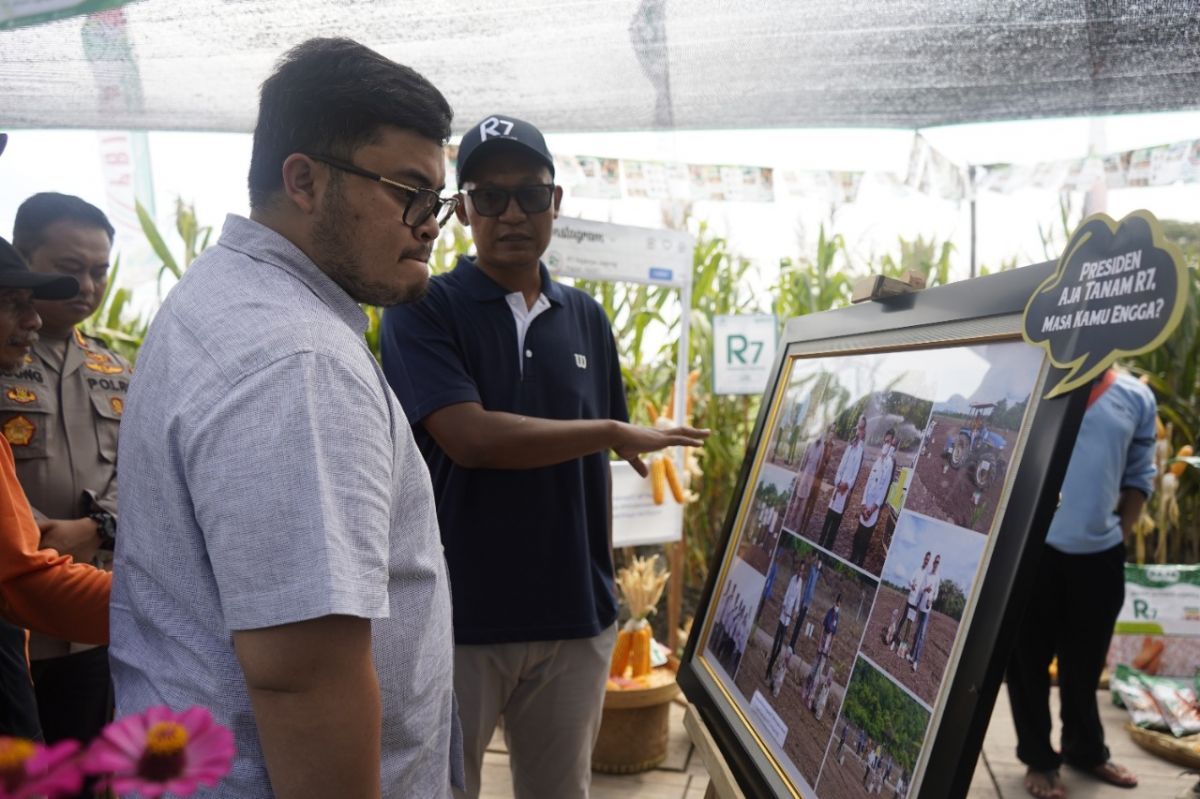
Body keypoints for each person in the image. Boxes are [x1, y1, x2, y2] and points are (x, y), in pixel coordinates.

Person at [108, 38, 462, 798]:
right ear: (303, 179)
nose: (431, 223)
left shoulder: (222, 294)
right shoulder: (299, 362)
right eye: (409, 190)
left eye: (438, 199)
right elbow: (303, 682)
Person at [381, 113, 707, 799]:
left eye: (530, 194)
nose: (511, 214)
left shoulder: (586, 316)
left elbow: (596, 467)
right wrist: (609, 432)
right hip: (459, 618)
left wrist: (604, 590)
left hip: (573, 620)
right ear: (463, 208)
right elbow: (470, 439)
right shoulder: (424, 308)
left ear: (555, 203)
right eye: (489, 196)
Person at [4, 192, 126, 751]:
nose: (88, 287)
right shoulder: (6, 354)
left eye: (99, 271)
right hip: (21, 610)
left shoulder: (118, 367)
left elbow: (149, 477)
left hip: (93, 620)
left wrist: (97, 527)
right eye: (68, 270)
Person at [1007, 367, 1155, 799]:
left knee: (1086, 663)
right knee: (1028, 660)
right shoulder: (1033, 379)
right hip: (1034, 551)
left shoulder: (1135, 396)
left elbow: (1139, 476)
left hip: (1100, 556)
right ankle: (1039, 758)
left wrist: (1115, 538)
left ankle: (1085, 750)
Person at [819, 415, 866, 550]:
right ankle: (819, 545)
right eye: (857, 428)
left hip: (845, 492)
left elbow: (855, 473)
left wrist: (847, 485)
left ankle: (827, 549)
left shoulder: (860, 451)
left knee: (835, 523)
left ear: (863, 432)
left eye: (860, 429)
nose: (858, 431)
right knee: (827, 519)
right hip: (838, 486)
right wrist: (838, 481)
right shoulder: (850, 446)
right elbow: (841, 466)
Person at [852, 428, 896, 566]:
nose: (886, 444)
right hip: (866, 505)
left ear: (892, 443)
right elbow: (868, 482)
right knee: (858, 535)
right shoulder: (877, 461)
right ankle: (852, 559)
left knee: (865, 538)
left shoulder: (890, 463)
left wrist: (871, 509)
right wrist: (864, 504)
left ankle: (858, 564)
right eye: (885, 441)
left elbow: (883, 489)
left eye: (888, 442)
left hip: (874, 509)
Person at [765, 551, 803, 678]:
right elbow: (787, 593)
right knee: (776, 643)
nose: (800, 572)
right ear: (797, 570)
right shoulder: (793, 578)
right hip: (784, 612)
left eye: (802, 570)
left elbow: (798, 599)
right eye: (799, 569)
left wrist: (796, 612)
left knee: (780, 647)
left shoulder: (800, 582)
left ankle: (770, 667)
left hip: (789, 615)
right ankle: (768, 670)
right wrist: (783, 605)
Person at [893, 551, 931, 656]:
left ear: (929, 561)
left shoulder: (926, 575)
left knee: (909, 625)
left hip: (916, 604)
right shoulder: (917, 569)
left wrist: (925, 589)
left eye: (928, 559)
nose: (926, 561)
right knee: (902, 620)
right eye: (926, 559)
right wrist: (912, 584)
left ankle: (902, 648)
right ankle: (894, 638)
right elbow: (909, 580)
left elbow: (923, 589)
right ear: (924, 559)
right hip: (910, 600)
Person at [910, 554, 940, 672]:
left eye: (938, 562)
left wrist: (932, 599)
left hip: (927, 608)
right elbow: (921, 588)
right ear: (933, 563)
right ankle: (912, 654)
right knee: (917, 631)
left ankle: (916, 661)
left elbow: (936, 593)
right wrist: (925, 589)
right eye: (935, 562)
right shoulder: (927, 574)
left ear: (939, 564)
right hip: (921, 606)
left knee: (922, 634)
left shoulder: (938, 577)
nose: (936, 564)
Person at [788, 556, 821, 656]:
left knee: (800, 625)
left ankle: (792, 645)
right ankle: (791, 645)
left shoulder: (817, 573)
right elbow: (808, 587)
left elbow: (813, 588)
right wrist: (804, 602)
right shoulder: (812, 570)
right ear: (817, 562)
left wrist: (809, 604)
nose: (820, 564)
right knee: (798, 624)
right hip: (804, 601)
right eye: (819, 562)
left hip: (808, 602)